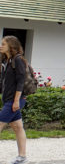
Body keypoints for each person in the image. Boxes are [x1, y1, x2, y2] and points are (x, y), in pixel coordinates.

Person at [0, 35, 29, 164]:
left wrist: (16, 101)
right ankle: (22, 157)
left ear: (11, 46)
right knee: (18, 127)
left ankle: (22, 157)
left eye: (3, 44)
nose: (1, 46)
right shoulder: (7, 61)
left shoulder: (18, 60)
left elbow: (20, 81)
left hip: (15, 100)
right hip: (8, 100)